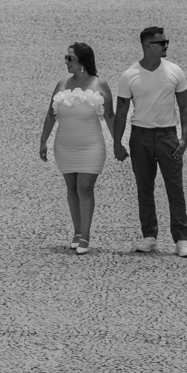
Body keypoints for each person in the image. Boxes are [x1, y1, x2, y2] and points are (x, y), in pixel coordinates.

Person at [113, 26, 187, 257]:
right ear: (148, 45)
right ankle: (149, 236)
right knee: (144, 188)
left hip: (168, 136)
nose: (166, 45)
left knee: (175, 188)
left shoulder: (175, 71)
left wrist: (184, 137)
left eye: (166, 41)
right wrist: (118, 143)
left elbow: (185, 107)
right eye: (162, 42)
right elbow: (121, 111)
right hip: (141, 137)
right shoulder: (129, 75)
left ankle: (182, 239)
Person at [39, 42, 115, 254]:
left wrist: (118, 142)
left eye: (69, 59)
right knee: (71, 188)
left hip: (91, 145)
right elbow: (50, 114)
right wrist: (43, 141)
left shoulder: (100, 84)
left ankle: (86, 235)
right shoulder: (62, 83)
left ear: (82, 61)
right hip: (64, 144)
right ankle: (77, 231)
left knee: (85, 188)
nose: (66, 62)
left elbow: (110, 115)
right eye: (65, 58)